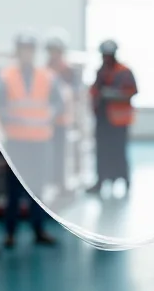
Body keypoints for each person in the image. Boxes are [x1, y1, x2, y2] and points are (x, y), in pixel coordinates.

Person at [0, 32, 60, 247]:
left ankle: (38, 229)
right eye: (22, 49)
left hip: (40, 141)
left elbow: (56, 104)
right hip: (16, 142)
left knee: (37, 188)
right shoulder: (7, 76)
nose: (26, 53)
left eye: (29, 49)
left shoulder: (47, 77)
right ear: (17, 51)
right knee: (13, 190)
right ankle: (10, 232)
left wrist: (46, 118)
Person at [87, 40, 137, 196]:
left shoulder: (124, 71)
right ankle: (101, 180)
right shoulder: (101, 72)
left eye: (109, 55)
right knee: (102, 152)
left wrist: (113, 94)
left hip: (118, 121)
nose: (106, 58)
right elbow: (95, 91)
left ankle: (124, 180)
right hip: (103, 120)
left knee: (118, 152)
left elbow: (132, 91)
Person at [46, 29, 75, 191]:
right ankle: (51, 181)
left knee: (60, 153)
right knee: (48, 154)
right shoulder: (45, 69)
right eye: (51, 50)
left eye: (56, 50)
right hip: (46, 120)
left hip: (62, 119)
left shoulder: (67, 70)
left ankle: (60, 182)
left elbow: (72, 93)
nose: (53, 54)